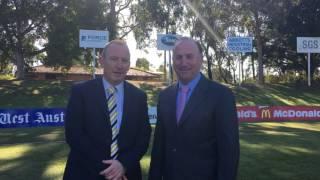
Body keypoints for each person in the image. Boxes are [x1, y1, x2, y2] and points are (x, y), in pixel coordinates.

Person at [148, 37, 240, 180]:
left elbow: (229, 151)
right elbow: (159, 145)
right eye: (178, 57)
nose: (183, 62)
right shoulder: (165, 96)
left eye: (189, 56)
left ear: (201, 59)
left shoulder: (221, 95)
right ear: (173, 61)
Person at [63, 40, 151, 180]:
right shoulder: (81, 92)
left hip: (126, 173)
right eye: (114, 59)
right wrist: (110, 168)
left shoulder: (139, 97)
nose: (119, 65)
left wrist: (123, 164)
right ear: (101, 61)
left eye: (124, 60)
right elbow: (74, 135)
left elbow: (143, 137)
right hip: (85, 172)